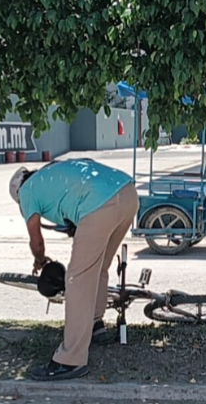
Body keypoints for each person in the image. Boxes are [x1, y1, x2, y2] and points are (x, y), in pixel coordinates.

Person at [9, 159, 140, 381]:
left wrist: (40, 261)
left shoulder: (27, 192)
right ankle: (95, 326)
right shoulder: (53, 172)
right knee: (98, 267)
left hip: (100, 205)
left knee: (77, 280)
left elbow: (36, 240)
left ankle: (70, 360)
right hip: (127, 194)